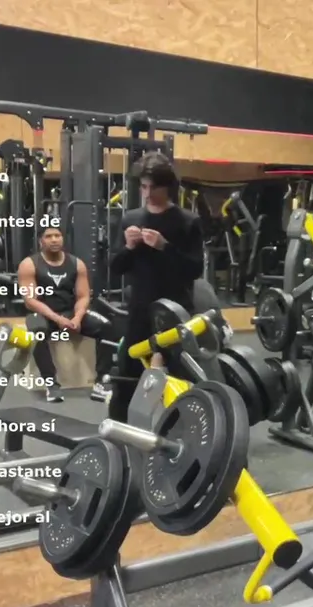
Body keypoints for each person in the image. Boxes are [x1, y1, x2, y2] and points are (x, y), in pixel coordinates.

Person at [107, 152, 205, 422]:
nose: (148, 194)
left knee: (176, 379)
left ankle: (178, 431)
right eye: (143, 187)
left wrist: (165, 247)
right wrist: (128, 247)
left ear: (167, 187)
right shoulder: (131, 219)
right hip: (140, 310)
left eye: (153, 188)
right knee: (128, 375)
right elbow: (115, 267)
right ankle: (118, 432)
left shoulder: (187, 221)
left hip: (174, 311)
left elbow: (195, 270)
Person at [18, 226, 116, 402]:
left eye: (57, 235)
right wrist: (57, 319)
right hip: (44, 314)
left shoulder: (76, 264)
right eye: (49, 236)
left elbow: (83, 296)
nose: (54, 239)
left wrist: (77, 318)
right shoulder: (29, 264)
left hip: (70, 312)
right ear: (40, 241)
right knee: (36, 331)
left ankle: (101, 382)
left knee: (106, 327)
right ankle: (52, 384)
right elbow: (30, 301)